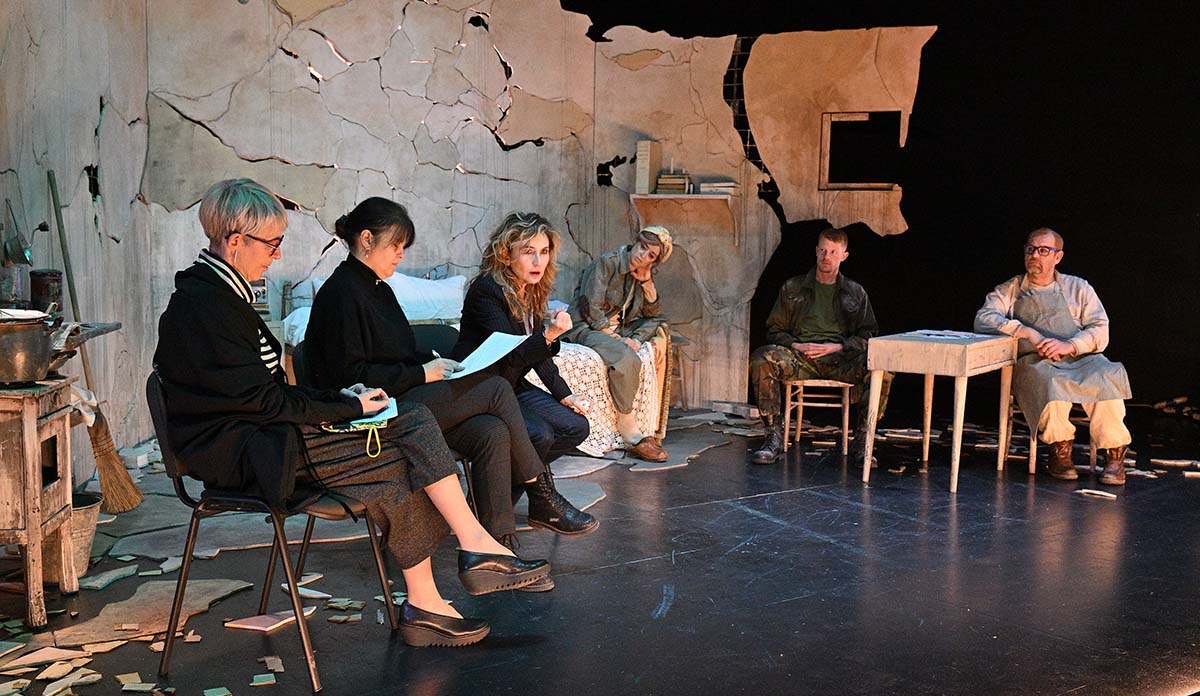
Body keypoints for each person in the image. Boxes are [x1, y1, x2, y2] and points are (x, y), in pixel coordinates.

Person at [153, 179, 548, 648]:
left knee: (402, 451)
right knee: (410, 425)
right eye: (272, 244)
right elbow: (263, 403)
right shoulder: (205, 304)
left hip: (261, 434)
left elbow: (264, 395)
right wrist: (347, 405)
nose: (277, 255)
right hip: (244, 452)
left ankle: (429, 601)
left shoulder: (222, 294)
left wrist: (345, 399)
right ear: (235, 241)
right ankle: (472, 550)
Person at [303, 198, 597, 592]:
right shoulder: (341, 293)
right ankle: (541, 494)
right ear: (367, 239)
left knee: (491, 430)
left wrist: (433, 363)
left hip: (404, 400)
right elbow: (350, 378)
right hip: (373, 417)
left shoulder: (377, 288)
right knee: (496, 389)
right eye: (396, 245)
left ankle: (498, 552)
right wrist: (421, 373)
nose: (401, 255)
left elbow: (396, 354)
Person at [975, 227, 1132, 484]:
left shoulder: (1078, 288)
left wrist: (1069, 345)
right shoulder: (1011, 289)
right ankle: (1060, 451)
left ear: (1058, 257)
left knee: (1107, 375)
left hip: (1080, 357)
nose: (1035, 256)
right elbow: (983, 318)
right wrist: (1026, 332)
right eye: (1031, 250)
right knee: (1050, 383)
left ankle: (1114, 456)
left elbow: (1100, 329)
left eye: (1043, 251)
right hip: (1036, 361)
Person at [452, 212, 592, 476]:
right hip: (482, 389)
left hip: (512, 385)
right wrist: (549, 335)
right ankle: (537, 492)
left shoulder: (531, 290)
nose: (538, 261)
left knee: (576, 427)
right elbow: (513, 354)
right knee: (540, 434)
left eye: (544, 251)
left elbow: (537, 355)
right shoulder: (486, 290)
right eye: (528, 252)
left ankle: (516, 485)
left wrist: (565, 394)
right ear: (506, 254)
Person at [748, 227, 893, 464]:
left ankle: (864, 441)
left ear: (844, 256)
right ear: (816, 251)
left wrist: (838, 347)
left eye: (833, 252)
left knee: (882, 369)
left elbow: (868, 336)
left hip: (841, 361)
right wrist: (797, 346)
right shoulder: (793, 288)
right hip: (801, 360)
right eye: (823, 250)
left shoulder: (855, 292)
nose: (826, 257)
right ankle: (773, 437)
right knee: (762, 358)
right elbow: (774, 330)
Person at [561, 226, 673, 462]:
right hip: (587, 327)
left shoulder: (640, 275)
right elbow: (590, 307)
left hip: (619, 329)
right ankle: (627, 426)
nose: (643, 255)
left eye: (651, 255)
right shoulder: (608, 262)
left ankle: (634, 341)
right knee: (626, 357)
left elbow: (653, 314)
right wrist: (617, 341)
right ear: (636, 242)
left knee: (659, 324)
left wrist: (647, 284)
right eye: (643, 247)